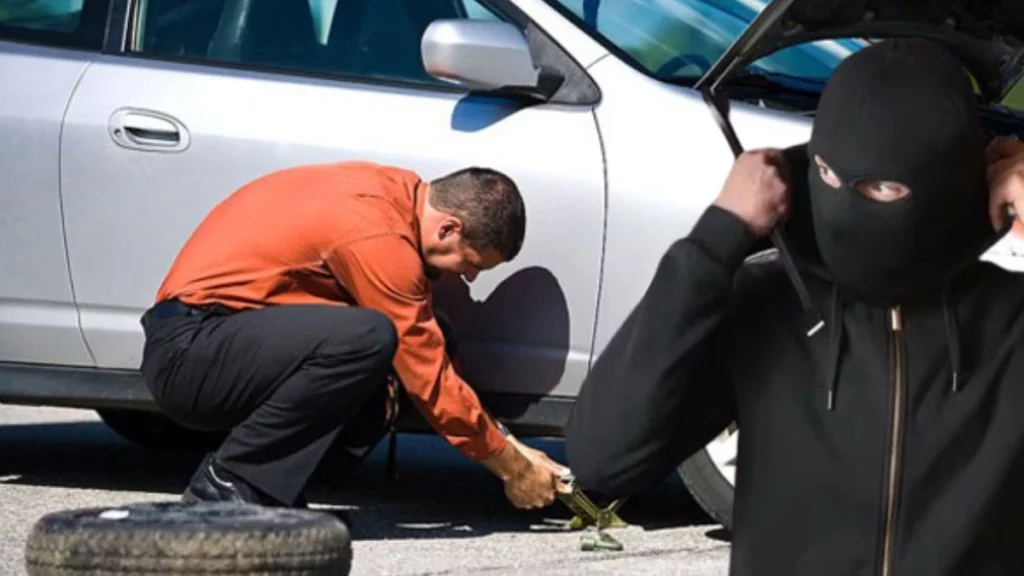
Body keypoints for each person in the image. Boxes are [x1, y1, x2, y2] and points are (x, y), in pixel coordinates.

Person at [565, 39, 1024, 575]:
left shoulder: (1010, 321)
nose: (846, 201)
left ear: (949, 182)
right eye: (826, 176)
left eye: (883, 188)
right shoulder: (766, 305)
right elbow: (606, 458)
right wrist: (715, 241)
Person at [139, 160, 569, 510]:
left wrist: (512, 443)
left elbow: (432, 354)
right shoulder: (378, 235)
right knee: (371, 336)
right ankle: (230, 484)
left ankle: (272, 493)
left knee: (420, 336)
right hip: (191, 355)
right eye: (473, 262)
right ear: (449, 228)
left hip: (221, 342)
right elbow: (428, 376)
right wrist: (510, 468)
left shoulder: (391, 192)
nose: (469, 277)